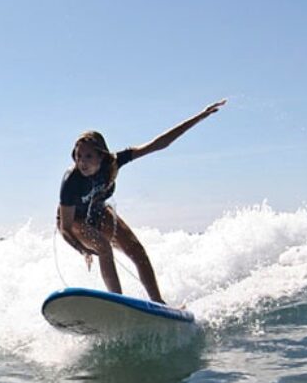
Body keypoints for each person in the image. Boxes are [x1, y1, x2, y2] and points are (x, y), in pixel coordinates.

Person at [57, 99, 225, 304]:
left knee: (137, 250)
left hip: (99, 212)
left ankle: (158, 303)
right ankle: (117, 303)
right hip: (75, 220)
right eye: (79, 155)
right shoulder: (71, 181)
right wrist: (82, 249)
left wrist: (200, 117)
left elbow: (158, 144)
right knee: (103, 246)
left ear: (101, 156)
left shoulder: (114, 162)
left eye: (89, 156)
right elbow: (65, 227)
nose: (82, 161)